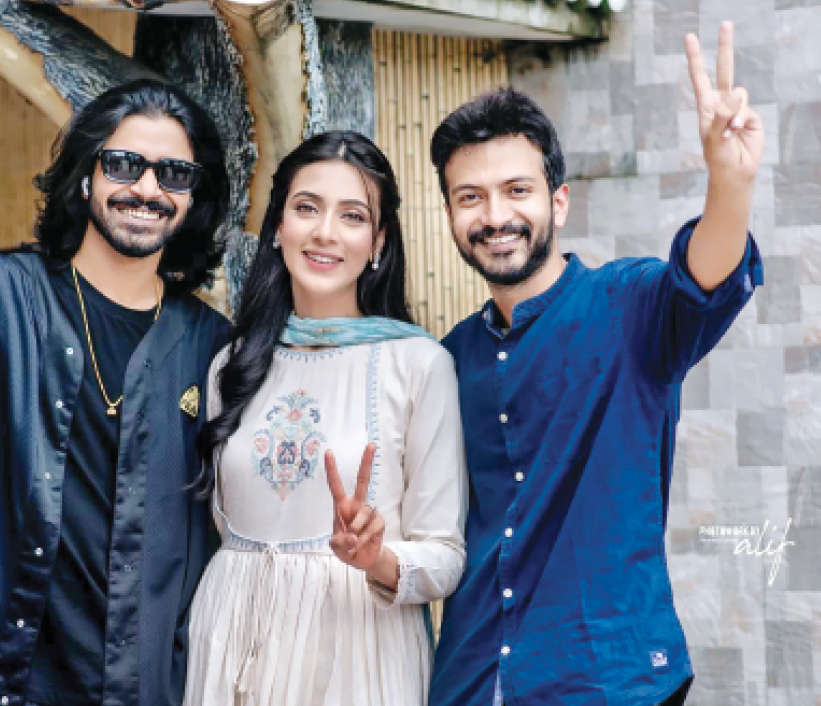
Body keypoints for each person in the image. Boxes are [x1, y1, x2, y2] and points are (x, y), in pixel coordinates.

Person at [0, 79, 231, 706]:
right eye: (124, 164)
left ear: (192, 198)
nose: (147, 189)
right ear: (84, 179)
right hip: (10, 685)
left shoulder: (214, 346)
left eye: (174, 174)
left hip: (151, 689)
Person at [428, 23, 763, 706]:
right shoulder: (449, 357)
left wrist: (728, 184)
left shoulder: (629, 307)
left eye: (516, 190)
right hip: (472, 679)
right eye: (470, 197)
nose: (495, 215)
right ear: (451, 214)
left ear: (558, 201)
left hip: (607, 679)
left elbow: (704, 279)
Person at [181, 130, 468, 706]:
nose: (325, 232)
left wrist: (377, 558)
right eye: (307, 208)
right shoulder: (230, 366)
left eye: (353, 216)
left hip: (356, 652)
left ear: (378, 242)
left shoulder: (419, 364)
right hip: (231, 643)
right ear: (277, 227)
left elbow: (445, 556)